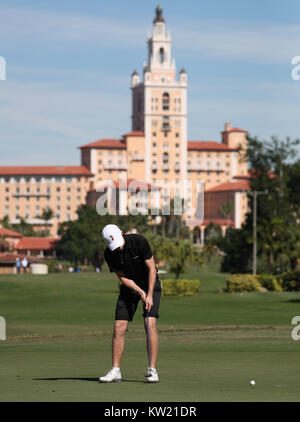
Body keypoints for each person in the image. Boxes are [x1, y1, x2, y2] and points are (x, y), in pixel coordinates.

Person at [99, 224, 161, 383]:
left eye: (119, 243)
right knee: (119, 326)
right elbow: (122, 276)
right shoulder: (109, 254)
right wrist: (140, 292)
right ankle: (115, 370)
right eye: (114, 246)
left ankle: (152, 370)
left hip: (150, 284)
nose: (118, 248)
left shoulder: (138, 241)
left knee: (149, 323)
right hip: (130, 287)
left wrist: (149, 294)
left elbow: (152, 269)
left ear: (121, 233)